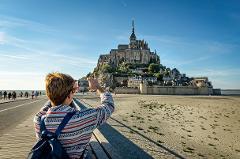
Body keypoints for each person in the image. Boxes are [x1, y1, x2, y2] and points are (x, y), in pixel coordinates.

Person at [33, 72, 114, 159]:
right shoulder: (82, 118)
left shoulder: (38, 119)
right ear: (68, 95)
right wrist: (98, 86)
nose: (74, 92)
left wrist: (54, 95)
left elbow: (46, 107)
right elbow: (109, 105)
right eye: (74, 90)